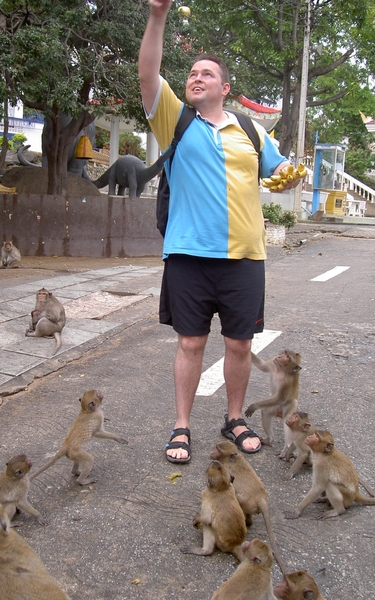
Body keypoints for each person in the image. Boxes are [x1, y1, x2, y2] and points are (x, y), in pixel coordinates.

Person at [138, 0, 300, 463]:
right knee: (190, 343)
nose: (196, 77)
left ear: (224, 87)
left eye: (206, 73)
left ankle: (234, 418)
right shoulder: (176, 119)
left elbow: (281, 168)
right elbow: (149, 74)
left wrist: (293, 174)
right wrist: (157, 15)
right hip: (188, 253)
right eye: (191, 72)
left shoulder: (250, 130)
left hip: (245, 257)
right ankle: (182, 425)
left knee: (239, 343)